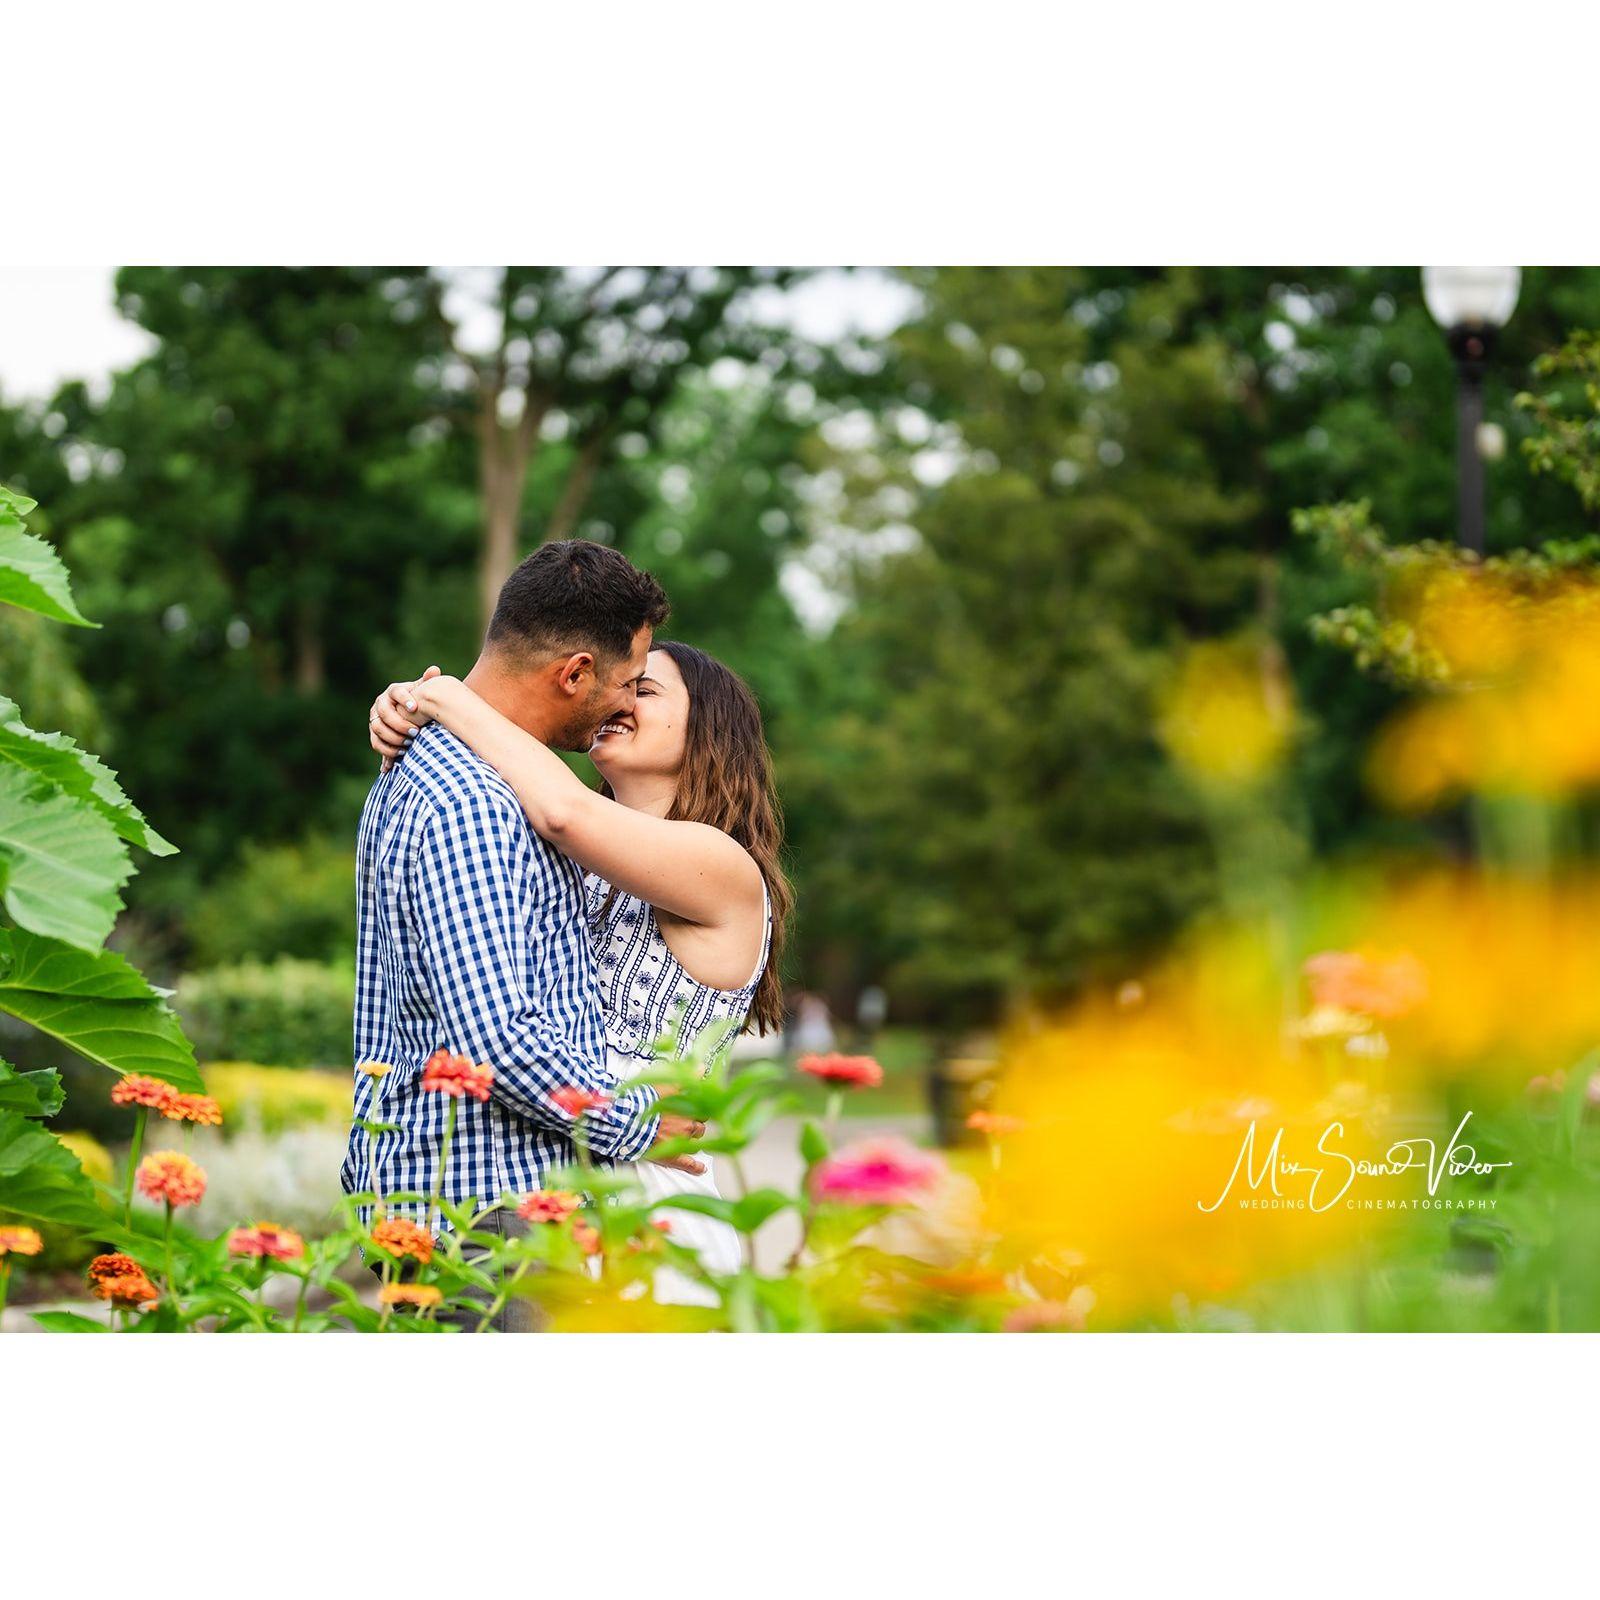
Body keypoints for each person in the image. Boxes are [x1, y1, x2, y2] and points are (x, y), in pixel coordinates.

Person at [339, 540, 705, 1329]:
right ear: (573, 673)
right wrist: (639, 1123)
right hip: (489, 1215)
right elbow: (495, 1040)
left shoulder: (441, 770)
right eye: (625, 683)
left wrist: (429, 696)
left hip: (476, 1206)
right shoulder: (474, 803)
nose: (625, 705)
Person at [367, 628, 792, 1307]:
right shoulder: (572, 859)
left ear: (707, 730)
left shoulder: (722, 865)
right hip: (561, 1172)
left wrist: (443, 696)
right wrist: (406, 706)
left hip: (649, 1193)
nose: (618, 700)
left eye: (643, 689)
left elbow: (565, 809)